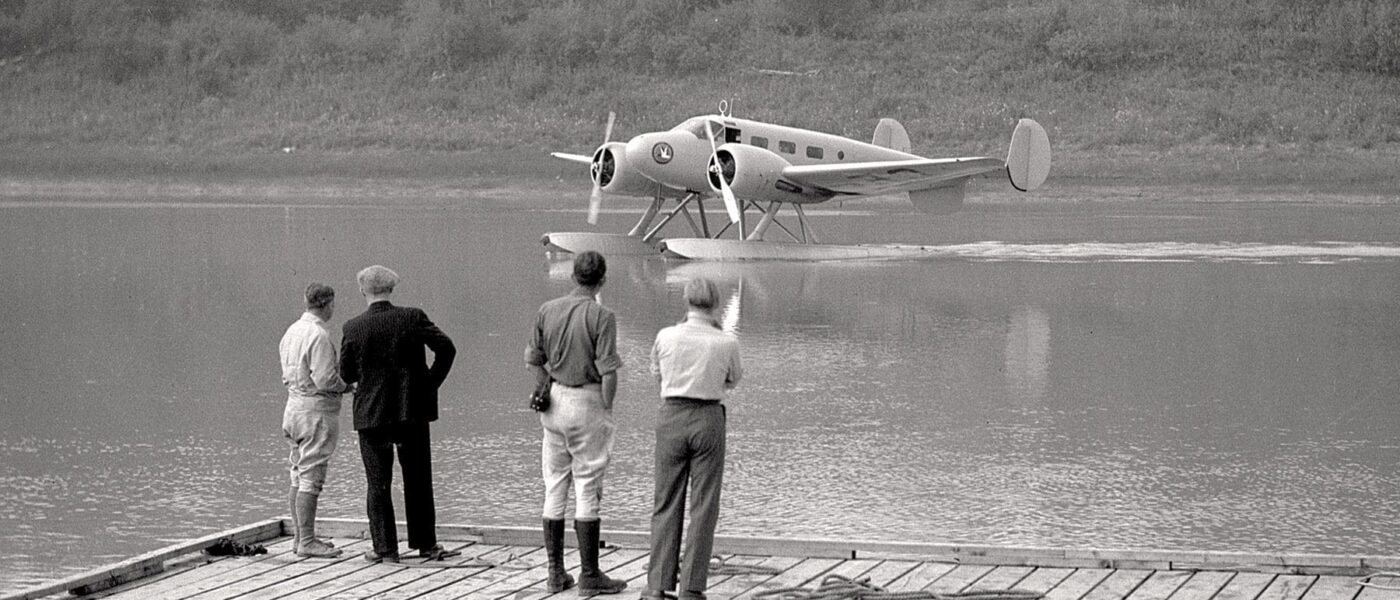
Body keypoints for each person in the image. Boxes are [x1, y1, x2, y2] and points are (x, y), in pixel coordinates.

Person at [340, 265, 459, 563]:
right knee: (418, 478)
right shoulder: (412, 316)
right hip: (412, 410)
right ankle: (426, 544)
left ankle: (385, 548)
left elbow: (346, 372)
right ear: (392, 288)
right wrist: (429, 385)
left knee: (377, 483)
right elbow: (446, 349)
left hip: (371, 413)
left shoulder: (352, 327)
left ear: (362, 290)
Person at [525, 251, 627, 596]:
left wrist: (545, 387)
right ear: (602, 280)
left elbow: (533, 361)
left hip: (553, 402)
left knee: (554, 485)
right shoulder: (602, 316)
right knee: (586, 485)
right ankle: (589, 575)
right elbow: (609, 371)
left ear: (573, 277)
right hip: (587, 400)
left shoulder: (547, 309)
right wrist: (606, 406)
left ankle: (555, 574)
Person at [642, 277, 742, 600]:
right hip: (708, 418)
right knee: (704, 504)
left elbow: (655, 372)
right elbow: (734, 378)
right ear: (714, 304)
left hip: (671, 415)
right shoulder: (725, 341)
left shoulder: (665, 336)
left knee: (666, 501)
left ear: (686, 300)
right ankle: (692, 587)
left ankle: (657, 585)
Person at [278, 283, 351, 559]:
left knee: (297, 471)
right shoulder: (318, 335)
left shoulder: (291, 331)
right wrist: (347, 386)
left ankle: (300, 536)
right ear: (326, 303)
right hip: (315, 412)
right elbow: (324, 379)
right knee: (312, 477)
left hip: (293, 408)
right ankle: (307, 540)